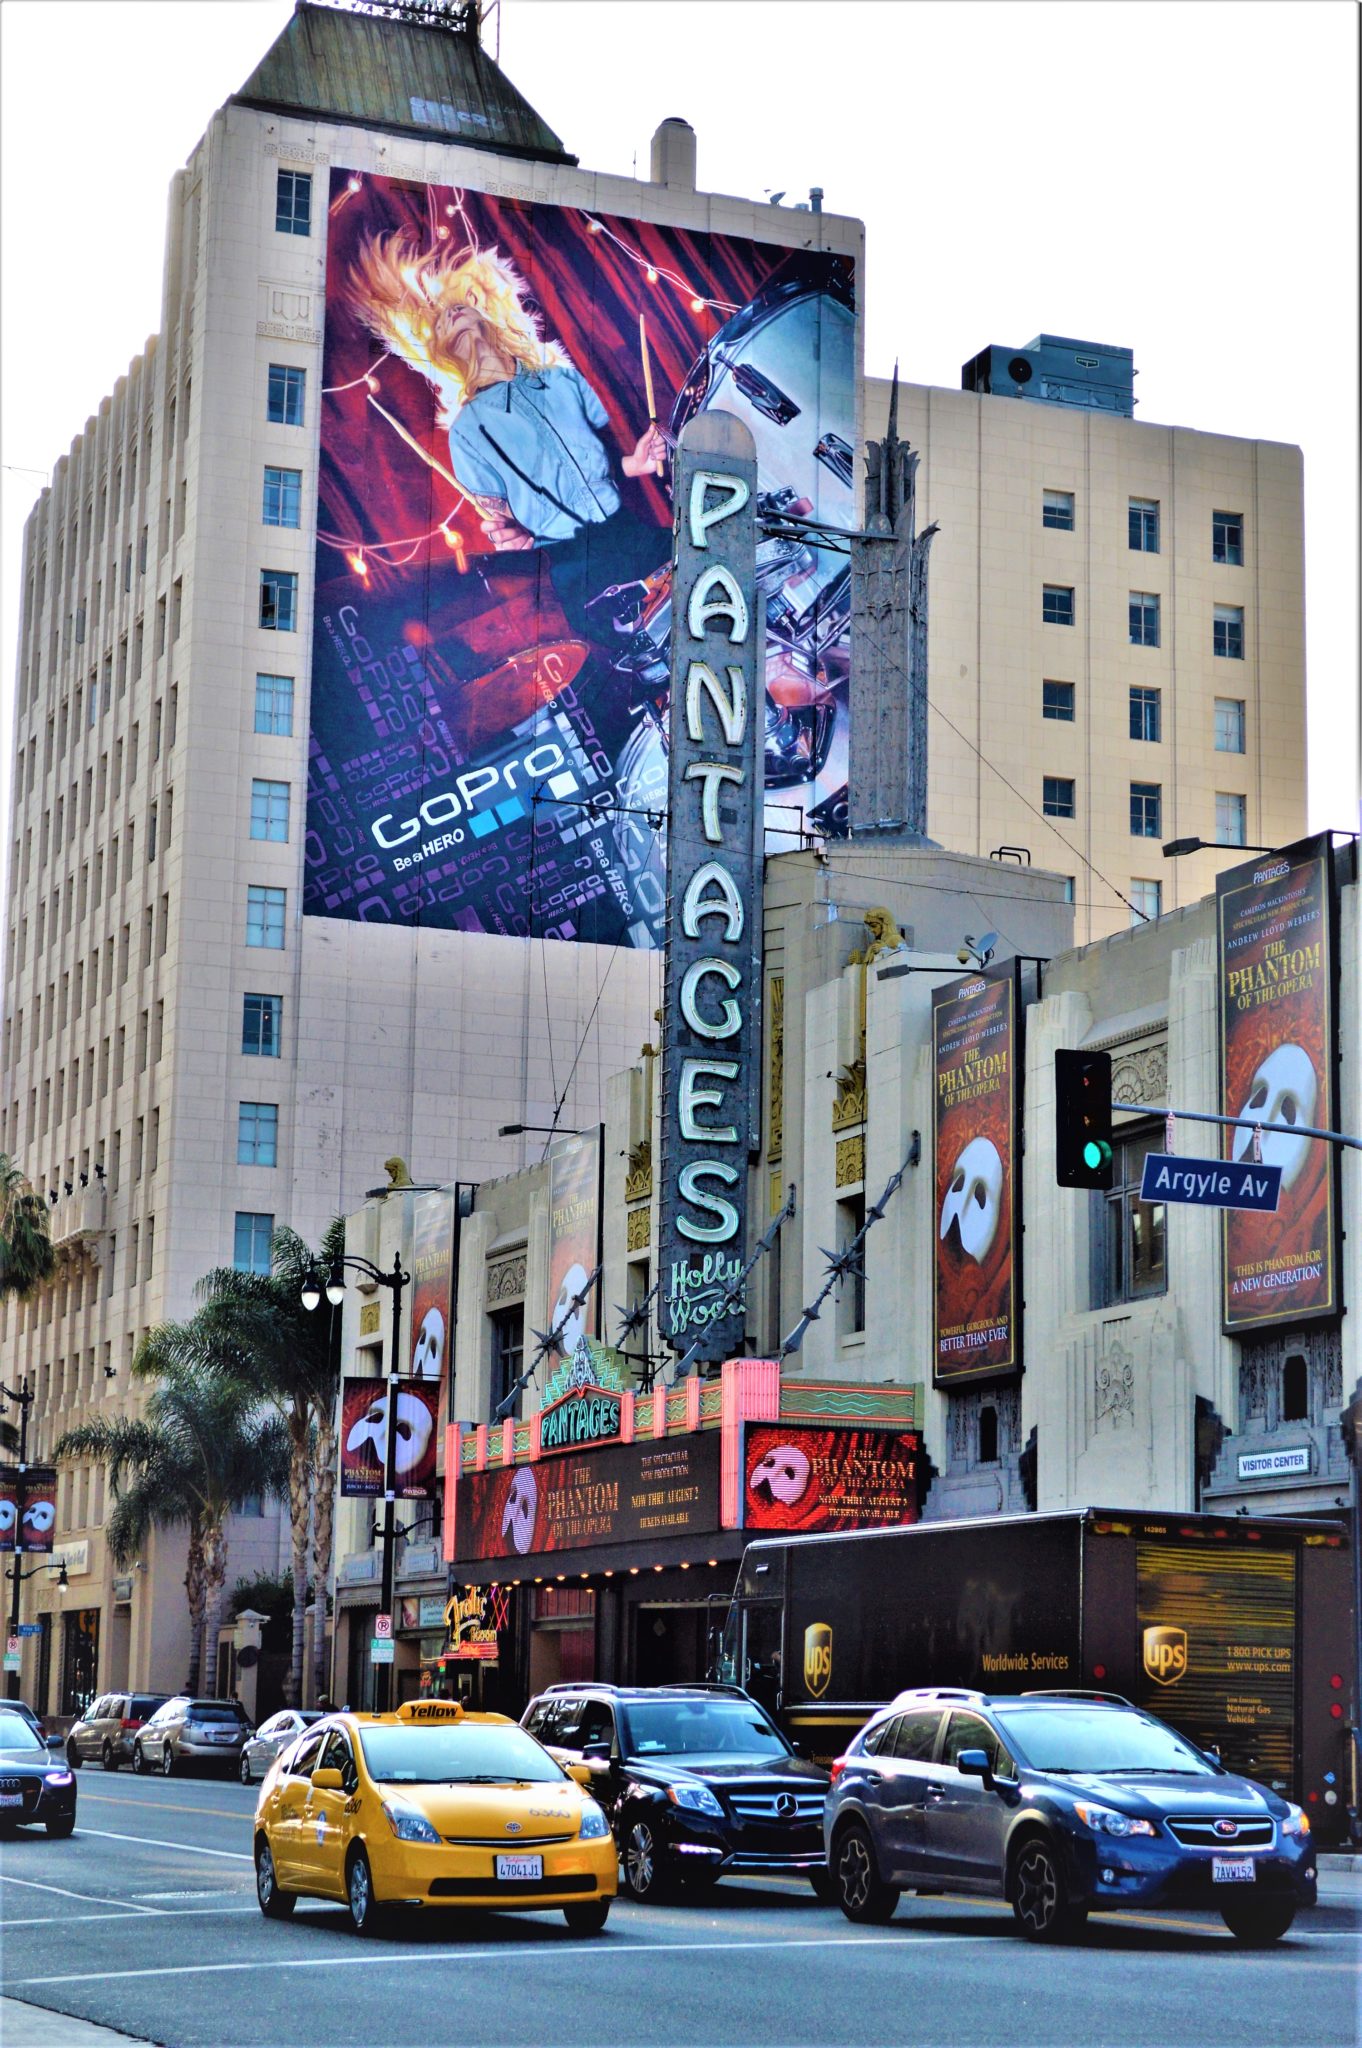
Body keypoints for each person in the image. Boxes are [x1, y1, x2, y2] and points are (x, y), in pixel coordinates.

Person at [348, 233, 666, 633]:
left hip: (634, 534)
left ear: (487, 314)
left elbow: (597, 469)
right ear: (437, 350)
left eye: (460, 305)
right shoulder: (466, 432)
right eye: (440, 319)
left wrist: (635, 463)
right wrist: (512, 535)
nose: (451, 313)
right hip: (581, 572)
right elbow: (503, 524)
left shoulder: (562, 380)